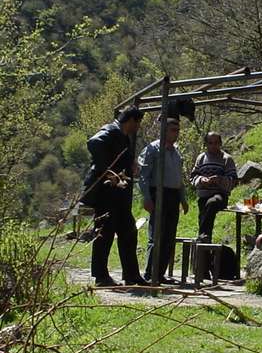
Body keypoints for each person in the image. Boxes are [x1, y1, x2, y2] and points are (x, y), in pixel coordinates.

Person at [86, 105, 148, 287]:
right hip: (106, 194)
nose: (138, 128)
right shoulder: (110, 131)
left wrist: (132, 164)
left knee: (129, 231)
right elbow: (94, 143)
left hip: (119, 196)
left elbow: (122, 158)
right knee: (104, 234)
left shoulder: (122, 137)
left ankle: (131, 275)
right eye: (137, 123)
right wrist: (108, 172)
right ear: (131, 121)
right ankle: (101, 276)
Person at [138, 117, 189, 284]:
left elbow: (178, 178)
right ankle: (150, 273)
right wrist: (147, 197)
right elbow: (144, 176)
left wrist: (183, 199)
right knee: (157, 235)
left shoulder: (176, 152)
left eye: (177, 130)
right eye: (173, 130)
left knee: (169, 236)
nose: (176, 133)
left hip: (173, 196)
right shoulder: (153, 149)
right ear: (164, 131)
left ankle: (160, 273)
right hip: (158, 193)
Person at [190, 131, 237, 242]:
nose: (213, 145)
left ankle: (202, 237)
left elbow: (233, 180)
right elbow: (193, 177)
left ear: (220, 143)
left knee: (212, 203)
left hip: (219, 195)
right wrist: (202, 180)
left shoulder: (226, 159)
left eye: (216, 143)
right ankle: (205, 242)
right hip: (203, 196)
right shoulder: (201, 158)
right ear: (206, 144)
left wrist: (220, 180)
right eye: (210, 143)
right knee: (204, 213)